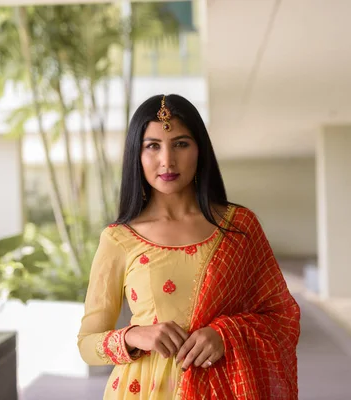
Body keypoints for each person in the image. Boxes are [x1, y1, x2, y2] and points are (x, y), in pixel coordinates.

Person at [78, 94, 301, 399]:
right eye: (152, 146)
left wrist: (225, 335)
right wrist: (136, 335)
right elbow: (87, 344)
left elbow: (281, 317)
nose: (167, 160)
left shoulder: (239, 227)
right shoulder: (119, 238)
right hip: (143, 391)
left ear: (200, 150)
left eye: (181, 144)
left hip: (224, 388)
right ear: (137, 154)